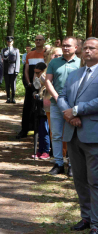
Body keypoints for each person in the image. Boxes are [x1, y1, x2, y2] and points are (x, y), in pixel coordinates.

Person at [57, 37, 98, 234]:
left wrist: (76, 110)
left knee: (95, 180)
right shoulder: (74, 74)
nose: (87, 51)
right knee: (79, 179)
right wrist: (70, 116)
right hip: (73, 133)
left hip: (93, 134)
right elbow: (61, 96)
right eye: (85, 48)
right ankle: (86, 218)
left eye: (92, 48)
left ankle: (97, 223)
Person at [45, 36, 80, 176]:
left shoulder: (81, 62)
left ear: (76, 48)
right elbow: (48, 81)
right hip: (56, 103)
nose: (66, 48)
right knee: (56, 134)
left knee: (71, 135)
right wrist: (57, 98)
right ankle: (58, 163)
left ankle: (71, 164)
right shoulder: (54, 62)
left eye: (69, 46)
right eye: (64, 45)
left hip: (73, 106)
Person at [17, 35, 45, 139]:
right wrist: (29, 83)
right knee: (27, 107)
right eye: (36, 40)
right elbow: (26, 70)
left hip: (44, 87)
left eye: (40, 40)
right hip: (31, 86)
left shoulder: (46, 53)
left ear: (44, 41)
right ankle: (24, 130)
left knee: (42, 109)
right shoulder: (30, 54)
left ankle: (39, 132)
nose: (38, 41)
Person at [32, 62, 50, 159]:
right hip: (39, 107)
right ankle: (39, 150)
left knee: (45, 130)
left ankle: (46, 151)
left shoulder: (46, 77)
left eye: (38, 72)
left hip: (46, 108)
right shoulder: (39, 78)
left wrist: (42, 78)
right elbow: (36, 87)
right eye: (35, 72)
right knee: (40, 130)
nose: (36, 74)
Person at [2, 36, 20, 103]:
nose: (9, 43)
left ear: (13, 42)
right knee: (7, 85)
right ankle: (8, 98)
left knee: (13, 85)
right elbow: (2, 60)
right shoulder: (3, 50)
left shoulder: (16, 50)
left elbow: (17, 60)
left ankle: (13, 98)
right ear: (7, 42)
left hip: (13, 69)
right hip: (6, 69)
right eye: (8, 42)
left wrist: (17, 70)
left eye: (10, 41)